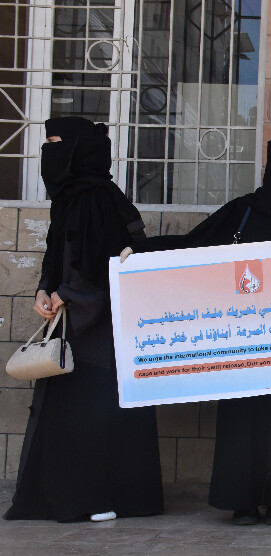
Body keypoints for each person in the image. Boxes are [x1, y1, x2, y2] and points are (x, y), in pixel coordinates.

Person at [137, 132, 271, 525]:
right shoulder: (243, 212)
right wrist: (140, 255)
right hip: (243, 344)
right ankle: (242, 503)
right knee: (243, 425)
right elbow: (193, 247)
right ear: (268, 164)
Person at [4, 116, 163, 522]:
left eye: (55, 141)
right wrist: (45, 289)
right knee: (72, 414)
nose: (49, 151)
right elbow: (57, 253)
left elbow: (108, 264)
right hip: (74, 324)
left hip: (102, 333)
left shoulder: (99, 198)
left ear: (77, 148)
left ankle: (99, 499)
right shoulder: (70, 198)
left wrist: (67, 295)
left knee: (94, 412)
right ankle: (70, 497)